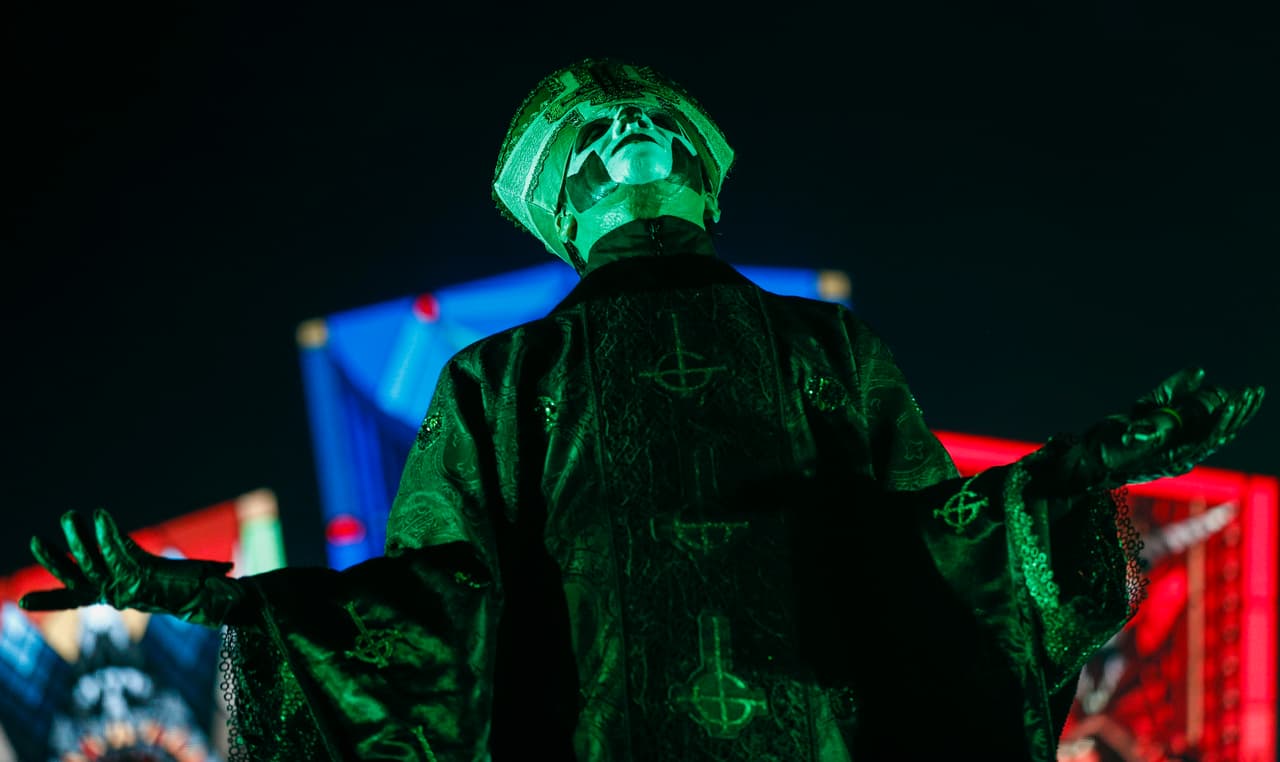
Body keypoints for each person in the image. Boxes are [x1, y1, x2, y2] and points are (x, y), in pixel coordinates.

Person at [20, 58, 1264, 761]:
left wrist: (1077, 470)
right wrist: (204, 596)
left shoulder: (822, 344)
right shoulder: (496, 380)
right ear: (559, 205)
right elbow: (430, 606)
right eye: (591, 131)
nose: (625, 133)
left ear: (700, 164)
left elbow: (937, 551)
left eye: (643, 115)